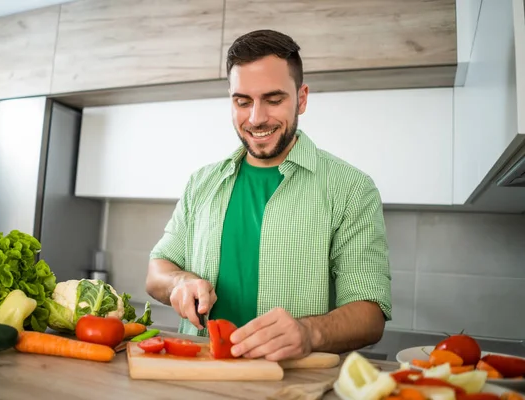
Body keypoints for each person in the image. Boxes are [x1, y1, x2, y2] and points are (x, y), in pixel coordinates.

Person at [145, 29, 392, 362]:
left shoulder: (351, 189)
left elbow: (370, 314)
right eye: (242, 101)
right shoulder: (201, 183)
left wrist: (309, 332)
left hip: (293, 385)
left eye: (274, 100)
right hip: (199, 377)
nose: (256, 118)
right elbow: (157, 270)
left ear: (301, 98)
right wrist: (179, 282)